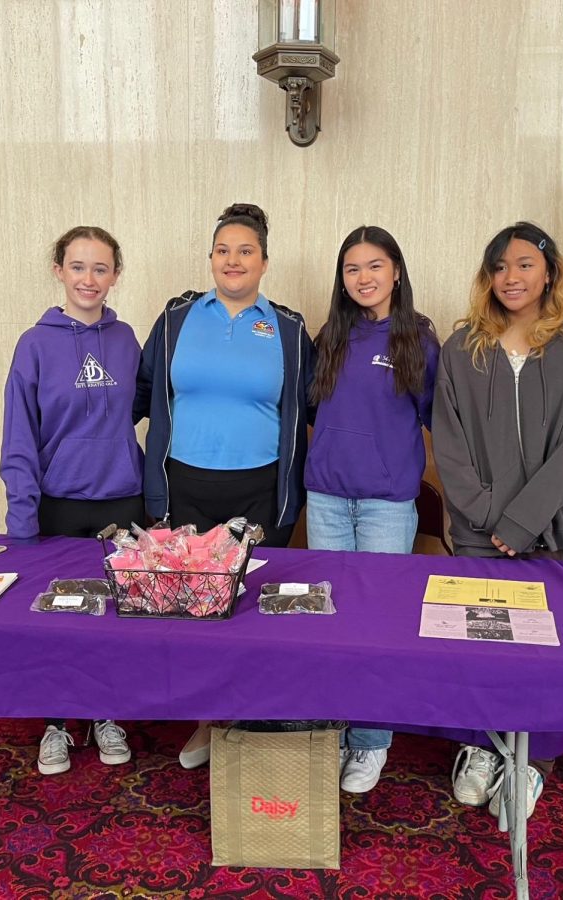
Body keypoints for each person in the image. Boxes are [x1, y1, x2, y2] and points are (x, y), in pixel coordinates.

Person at [432, 221, 563, 818]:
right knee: (480, 645)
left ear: (549, 272)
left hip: (551, 531)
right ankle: (482, 750)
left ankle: (529, 762)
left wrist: (525, 522)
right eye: (500, 266)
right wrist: (486, 521)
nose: (512, 277)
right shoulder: (461, 352)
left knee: (545, 651)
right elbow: (449, 447)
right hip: (481, 535)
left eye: (525, 264)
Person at [135, 202, 315, 768]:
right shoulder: (178, 318)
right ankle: (209, 722)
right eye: (222, 250)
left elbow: (307, 410)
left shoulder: (287, 328)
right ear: (210, 258)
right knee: (197, 617)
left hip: (259, 489)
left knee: (254, 613)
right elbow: (142, 396)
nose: (232, 260)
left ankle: (254, 723)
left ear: (265, 261)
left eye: (245, 251)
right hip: (185, 485)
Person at [0, 225, 142, 776]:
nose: (89, 279)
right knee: (57, 617)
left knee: (114, 617)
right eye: (78, 266)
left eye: (100, 268)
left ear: (115, 276)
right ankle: (57, 721)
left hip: (121, 501)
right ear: (58, 270)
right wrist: (21, 519)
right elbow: (18, 438)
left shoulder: (127, 340)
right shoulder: (34, 345)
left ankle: (106, 712)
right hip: (58, 503)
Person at [304, 225, 439, 793]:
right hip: (328, 500)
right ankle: (332, 731)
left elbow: (440, 422)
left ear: (397, 271)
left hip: (386, 506)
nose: (364, 278)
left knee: (377, 627)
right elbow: (313, 414)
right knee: (330, 626)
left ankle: (370, 743)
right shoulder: (330, 337)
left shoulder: (418, 339)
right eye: (352, 269)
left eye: (375, 266)